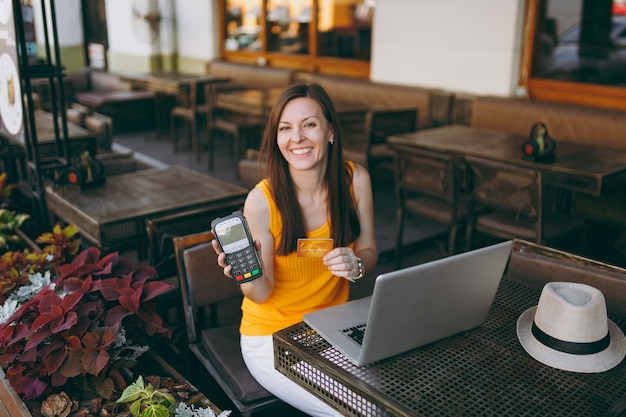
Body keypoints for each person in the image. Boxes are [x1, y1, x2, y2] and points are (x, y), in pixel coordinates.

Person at [213, 83, 378, 416]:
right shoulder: (262, 201)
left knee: (393, 399)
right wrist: (248, 275)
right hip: (273, 336)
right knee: (361, 411)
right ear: (276, 138)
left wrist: (356, 264)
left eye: (310, 125)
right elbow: (260, 294)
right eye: (285, 128)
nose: (297, 137)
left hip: (335, 326)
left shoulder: (354, 180)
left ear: (330, 131)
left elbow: (370, 249)